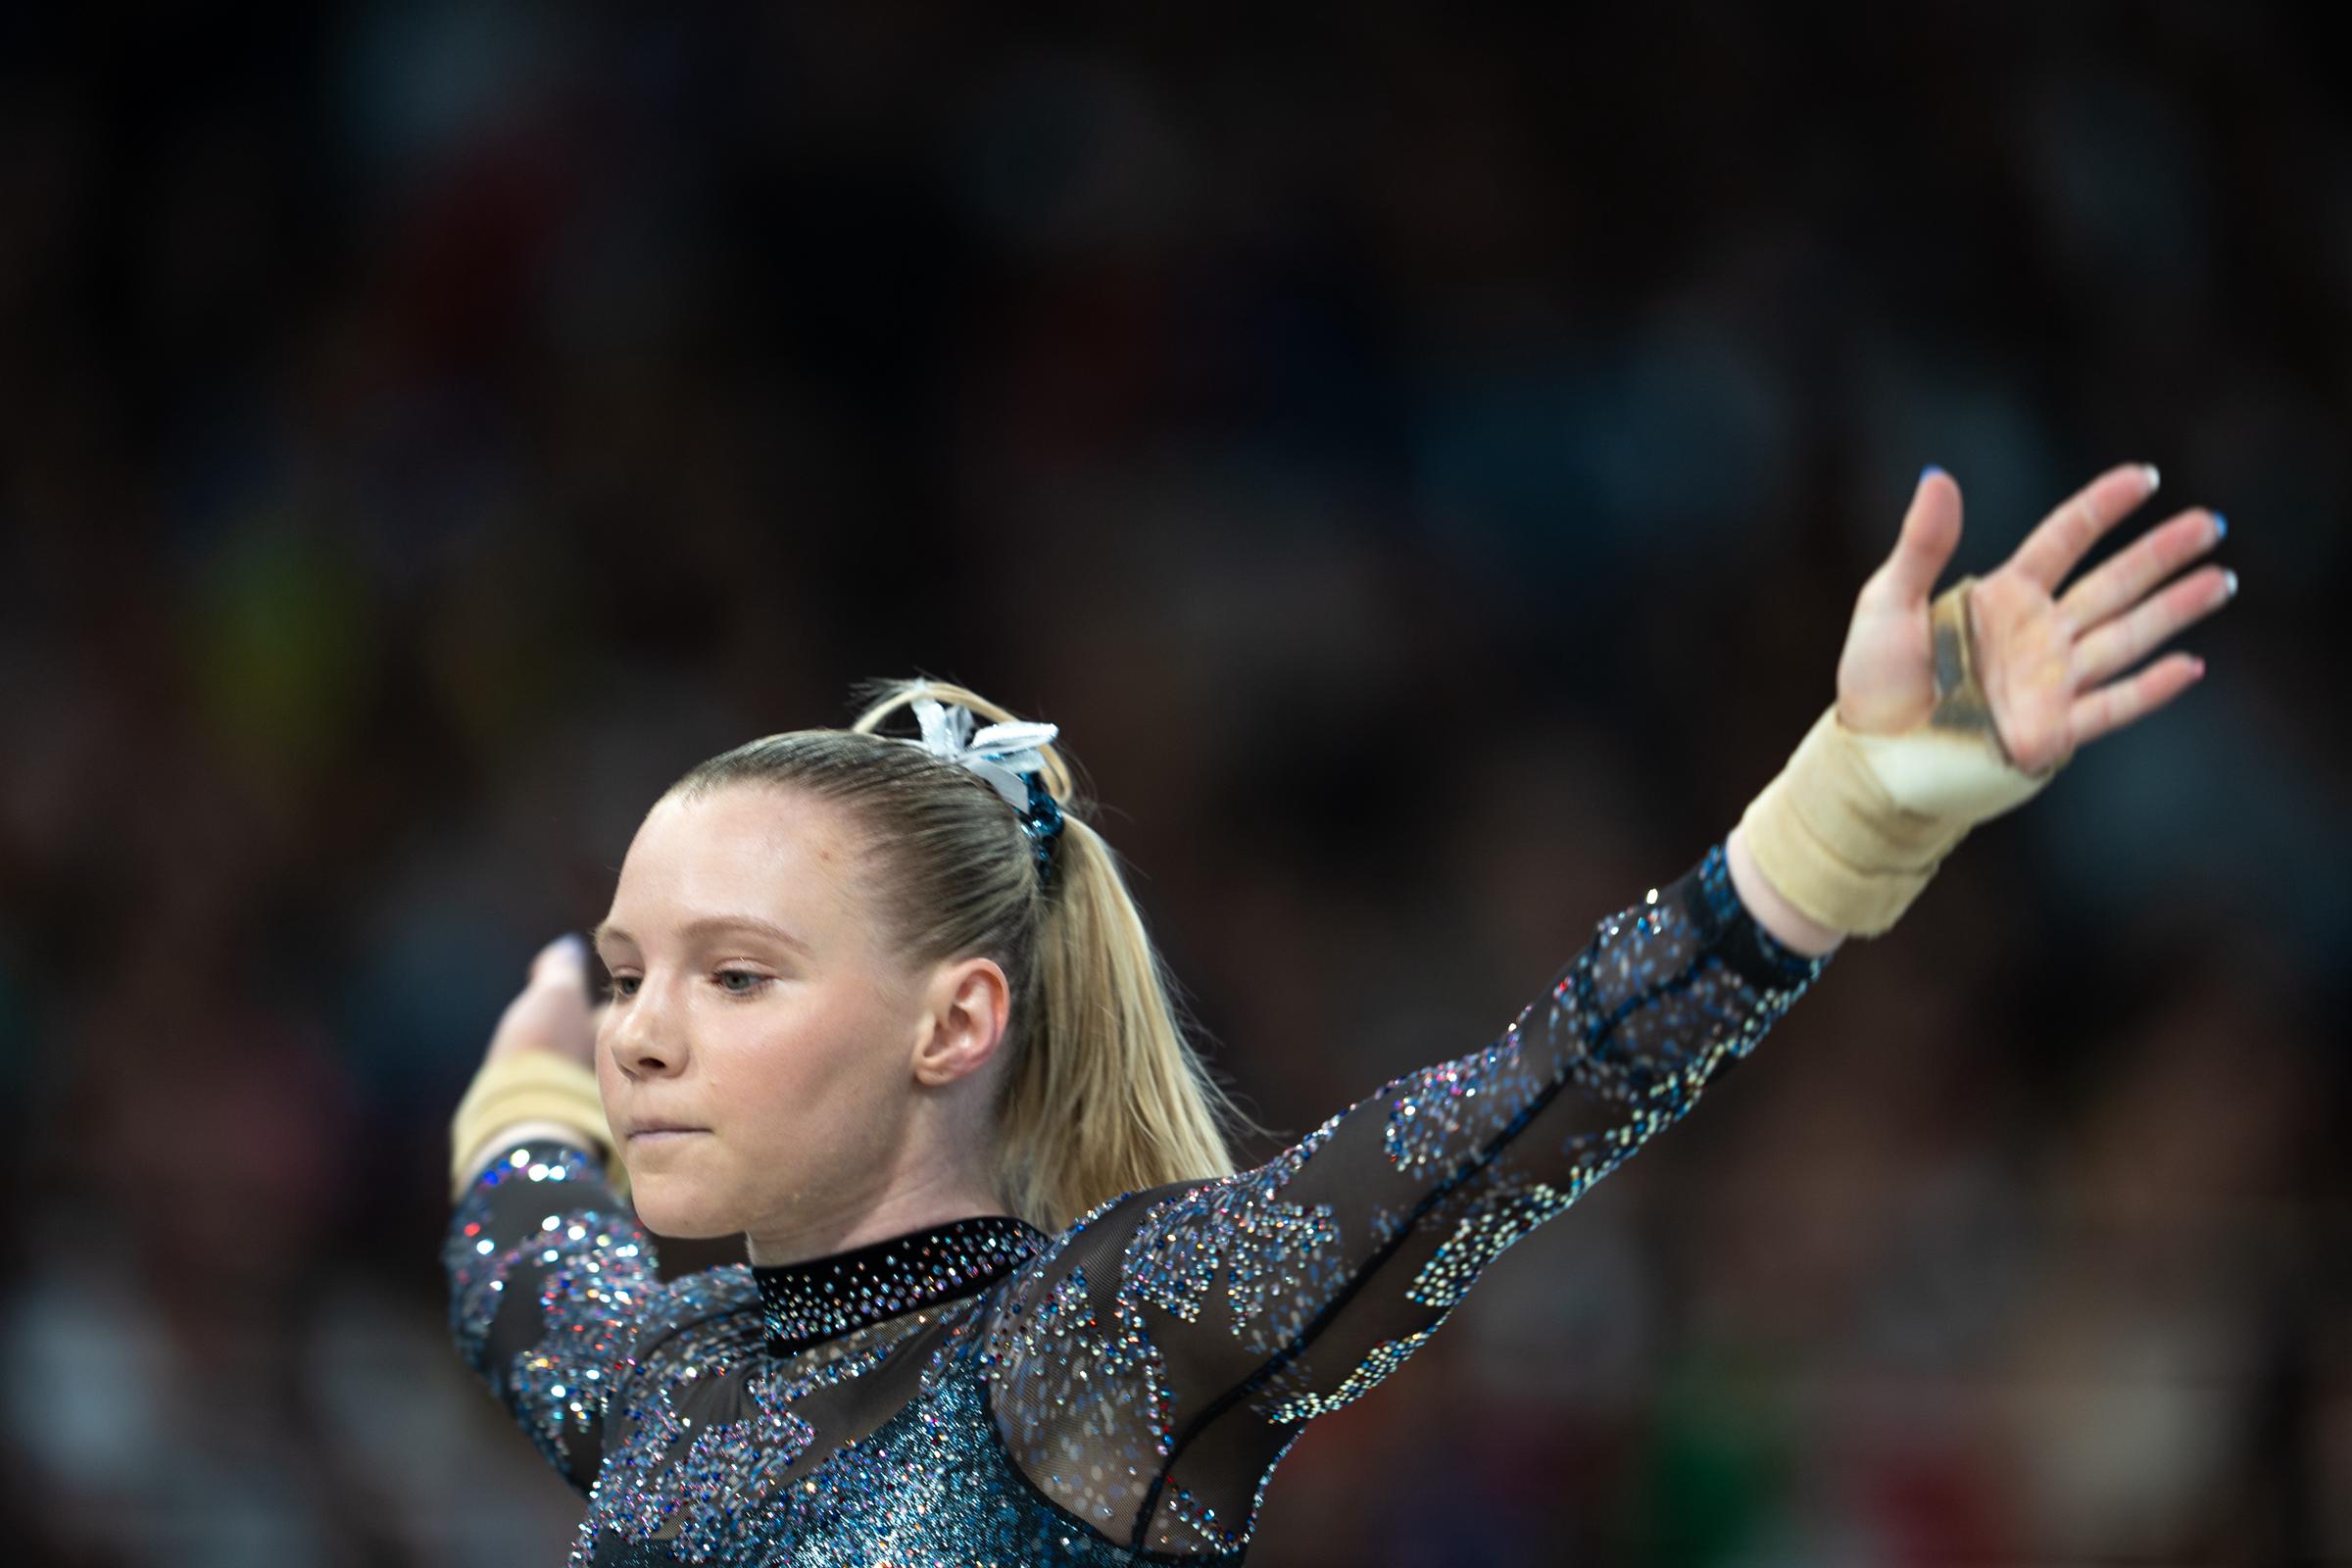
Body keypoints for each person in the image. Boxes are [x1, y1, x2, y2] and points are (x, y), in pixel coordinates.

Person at [444, 463, 2231, 1565]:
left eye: (734, 976)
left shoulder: (1085, 1349)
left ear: (954, 1023)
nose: (646, 1036)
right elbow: (526, 1258)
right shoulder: (663, 1381)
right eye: (626, 976)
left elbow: (1514, 1117)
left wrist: (1848, 815)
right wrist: (533, 1075)